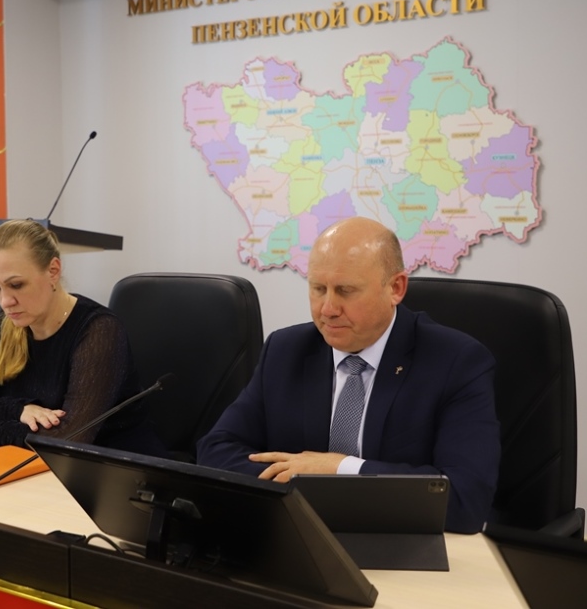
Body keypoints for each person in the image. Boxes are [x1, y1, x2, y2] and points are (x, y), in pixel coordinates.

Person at [196, 216, 500, 533]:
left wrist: (341, 468)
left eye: (345, 290)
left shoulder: (456, 362)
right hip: (298, 535)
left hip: (400, 538)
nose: (328, 309)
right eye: (318, 289)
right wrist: (302, 480)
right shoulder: (285, 350)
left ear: (396, 288)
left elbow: (466, 499)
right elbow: (215, 451)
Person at [0, 219, 162, 454]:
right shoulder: (5, 327)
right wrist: (18, 410)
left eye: (16, 284)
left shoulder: (100, 330)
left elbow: (68, 440)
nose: (5, 301)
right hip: (27, 458)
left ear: (53, 271)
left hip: (113, 464)